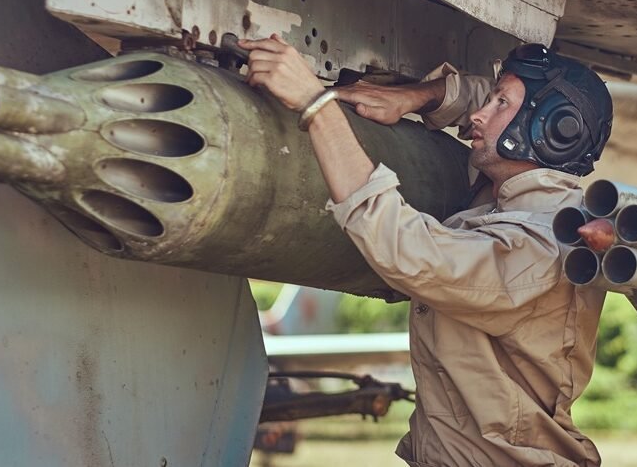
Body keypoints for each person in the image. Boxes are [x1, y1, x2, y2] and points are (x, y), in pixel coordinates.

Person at [238, 36, 615, 467]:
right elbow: (483, 100)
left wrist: (314, 104)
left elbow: (408, 251)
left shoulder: (543, 244)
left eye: (500, 105)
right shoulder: (507, 196)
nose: (479, 114)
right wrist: (414, 97)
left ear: (548, 130)